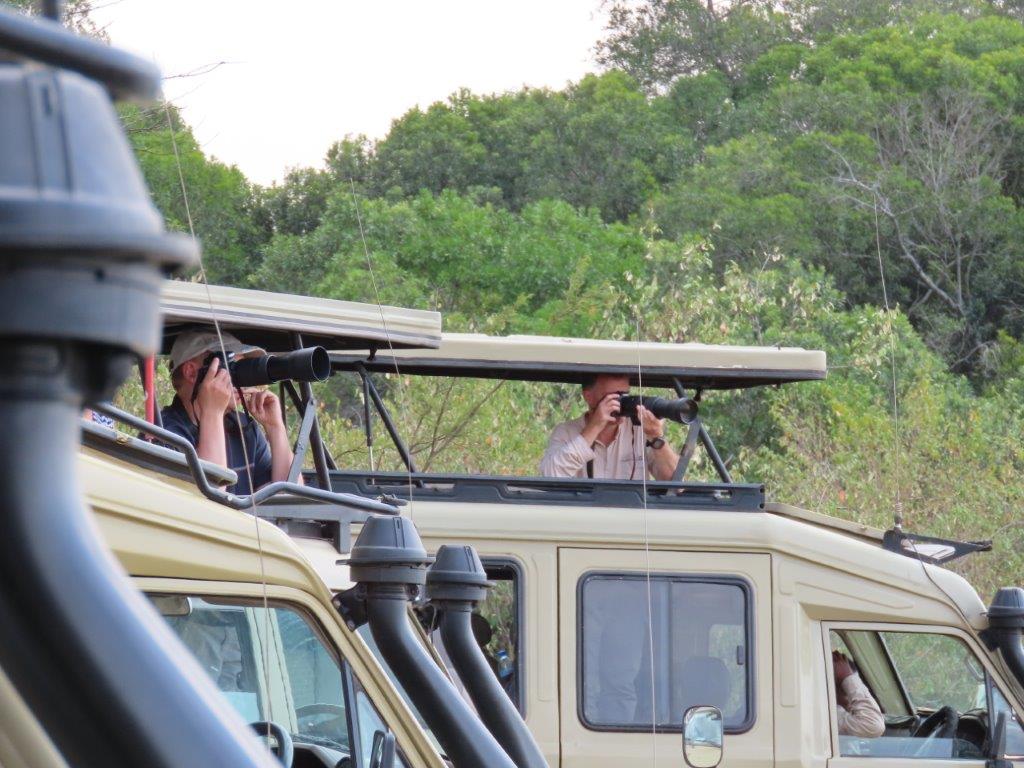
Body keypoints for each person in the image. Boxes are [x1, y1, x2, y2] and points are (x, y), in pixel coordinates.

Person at [161, 329, 297, 495]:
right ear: (191, 372)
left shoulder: (244, 429)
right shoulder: (163, 432)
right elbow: (210, 493)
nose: (241, 381)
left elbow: (290, 498)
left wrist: (275, 428)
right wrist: (212, 413)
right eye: (232, 367)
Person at [540, 373, 680, 480]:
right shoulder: (566, 432)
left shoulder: (640, 431)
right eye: (612, 397)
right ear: (588, 397)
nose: (620, 403)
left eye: (624, 396)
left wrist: (656, 437)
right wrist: (594, 427)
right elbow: (550, 476)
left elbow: (675, 483)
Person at [833, 650, 885, 738]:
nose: (851, 694)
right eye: (845, 686)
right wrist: (848, 677)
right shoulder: (827, 714)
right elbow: (873, 726)